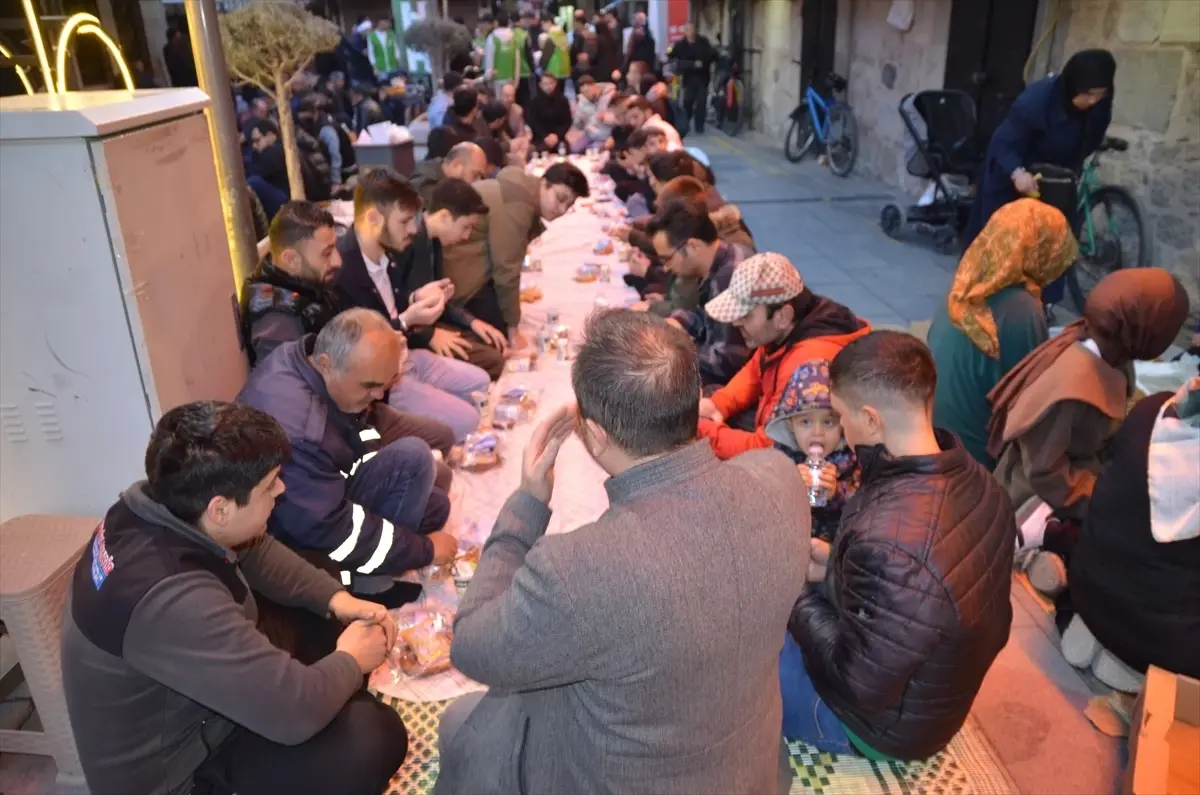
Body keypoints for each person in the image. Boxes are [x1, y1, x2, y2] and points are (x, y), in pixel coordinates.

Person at [435, 310, 807, 795]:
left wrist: (526, 503)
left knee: (461, 724)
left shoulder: (576, 568)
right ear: (693, 402)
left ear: (597, 433)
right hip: (746, 764)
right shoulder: (779, 479)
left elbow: (471, 646)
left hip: (622, 779)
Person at [61, 400, 408, 795]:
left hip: (192, 703)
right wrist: (350, 660)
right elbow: (294, 714)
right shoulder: (172, 601)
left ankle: (325, 689)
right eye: (269, 485)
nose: (282, 489)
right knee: (372, 737)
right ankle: (330, 701)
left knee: (318, 582)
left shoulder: (151, 505)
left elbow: (253, 548)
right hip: (184, 772)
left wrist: (337, 599)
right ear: (220, 509)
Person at [784, 331, 1016, 759]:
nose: (840, 430)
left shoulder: (892, 541)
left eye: (839, 417)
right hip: (933, 700)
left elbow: (857, 683)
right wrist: (834, 565)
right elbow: (910, 601)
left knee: (732, 653)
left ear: (871, 420)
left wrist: (793, 593)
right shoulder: (982, 483)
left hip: (878, 730)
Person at [987, 268, 1190, 596]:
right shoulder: (1072, 387)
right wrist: (1105, 496)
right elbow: (1044, 472)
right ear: (1144, 329)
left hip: (1082, 472)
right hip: (1031, 497)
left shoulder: (1109, 350)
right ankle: (1036, 556)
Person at [238, 309, 459, 593]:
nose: (379, 396)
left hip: (318, 498)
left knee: (436, 504)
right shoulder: (301, 431)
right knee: (413, 460)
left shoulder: (304, 360)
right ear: (327, 364)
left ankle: (388, 557)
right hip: (296, 536)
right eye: (370, 386)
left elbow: (355, 431)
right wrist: (424, 551)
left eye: (385, 384)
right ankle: (373, 584)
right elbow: (331, 531)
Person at [334, 169, 492, 442]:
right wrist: (408, 320)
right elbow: (357, 349)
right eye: (405, 220)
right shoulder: (343, 269)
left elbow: (390, 308)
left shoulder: (386, 256)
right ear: (373, 218)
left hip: (408, 359)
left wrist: (416, 298)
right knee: (469, 420)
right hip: (384, 382)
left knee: (481, 381)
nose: (413, 229)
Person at [1064, 377, 1200, 690]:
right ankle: (1135, 665)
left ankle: (1102, 641)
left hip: (1087, 592)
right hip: (1162, 644)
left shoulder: (1152, 410)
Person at [928, 199, 1079, 468]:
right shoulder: (1021, 309)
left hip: (932, 439)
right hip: (972, 461)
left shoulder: (965, 283)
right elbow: (1031, 402)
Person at [965, 49, 1116, 304]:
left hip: (1053, 176)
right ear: (1073, 84)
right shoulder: (1038, 100)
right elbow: (1004, 144)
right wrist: (1017, 173)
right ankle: (989, 300)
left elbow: (1090, 137)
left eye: (1099, 95)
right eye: (1088, 94)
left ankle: (1039, 303)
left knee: (1052, 237)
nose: (1092, 101)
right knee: (1003, 240)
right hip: (1012, 169)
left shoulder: (1099, 105)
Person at [697, 253, 871, 458]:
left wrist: (699, 431)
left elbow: (769, 449)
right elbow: (756, 370)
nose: (736, 323)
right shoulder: (787, 329)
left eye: (746, 315)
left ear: (783, 316)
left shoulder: (808, 365)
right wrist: (718, 404)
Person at [442, 161, 589, 340]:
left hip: (458, 263)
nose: (562, 210)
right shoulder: (518, 204)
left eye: (569, 205)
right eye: (560, 198)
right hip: (451, 276)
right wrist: (512, 328)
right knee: (497, 337)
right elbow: (506, 270)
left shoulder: (521, 189)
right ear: (544, 183)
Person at [387, 178, 509, 380]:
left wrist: (472, 322)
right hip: (410, 332)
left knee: (492, 341)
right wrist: (430, 335)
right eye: (465, 227)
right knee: (493, 360)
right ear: (444, 216)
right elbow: (399, 302)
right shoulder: (410, 242)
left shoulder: (432, 242)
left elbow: (438, 301)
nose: (466, 236)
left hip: (429, 325)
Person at [647, 199, 753, 387]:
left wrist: (676, 348)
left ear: (693, 246)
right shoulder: (725, 255)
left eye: (667, 258)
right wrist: (677, 322)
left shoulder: (728, 278)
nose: (665, 268)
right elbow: (705, 314)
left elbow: (726, 362)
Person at [765, 360, 860, 542]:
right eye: (806, 422)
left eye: (828, 422)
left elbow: (863, 510)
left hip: (831, 551)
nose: (817, 433)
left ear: (842, 424)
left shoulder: (853, 460)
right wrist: (787, 484)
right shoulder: (777, 459)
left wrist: (837, 493)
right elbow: (761, 505)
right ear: (791, 425)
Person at [668, 23, 714, 134]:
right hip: (688, 78)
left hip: (702, 77)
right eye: (687, 30)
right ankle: (685, 123)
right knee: (688, 102)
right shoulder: (681, 44)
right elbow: (672, 55)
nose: (690, 32)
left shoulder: (703, 42)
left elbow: (710, 55)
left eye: (691, 29)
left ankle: (699, 126)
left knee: (701, 102)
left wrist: (703, 62)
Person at [411, 139, 489, 205]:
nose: (478, 182)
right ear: (456, 165)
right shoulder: (425, 184)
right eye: (475, 175)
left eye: (481, 177)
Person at [526, 73, 573, 151]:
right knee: (536, 151)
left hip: (558, 137)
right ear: (540, 85)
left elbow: (567, 121)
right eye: (545, 84)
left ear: (555, 83)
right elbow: (532, 122)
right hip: (540, 137)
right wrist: (545, 136)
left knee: (564, 149)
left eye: (550, 83)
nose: (548, 87)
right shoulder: (534, 102)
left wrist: (557, 135)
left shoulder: (563, 100)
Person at [571, 75, 618, 150]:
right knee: (574, 149)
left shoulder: (611, 96)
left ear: (594, 86)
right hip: (589, 134)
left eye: (587, 91)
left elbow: (619, 120)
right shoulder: (582, 102)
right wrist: (579, 120)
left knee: (593, 150)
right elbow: (578, 126)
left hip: (605, 136)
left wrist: (606, 119)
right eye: (583, 93)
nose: (586, 95)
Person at [484, 10, 521, 99]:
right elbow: (517, 60)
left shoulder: (492, 38)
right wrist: (516, 79)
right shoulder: (514, 37)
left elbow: (489, 59)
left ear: (496, 22)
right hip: (510, 77)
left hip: (497, 78)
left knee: (499, 104)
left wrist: (488, 78)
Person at [622, 11, 657, 75]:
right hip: (634, 67)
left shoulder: (647, 38)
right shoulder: (630, 34)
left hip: (641, 68)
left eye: (640, 20)